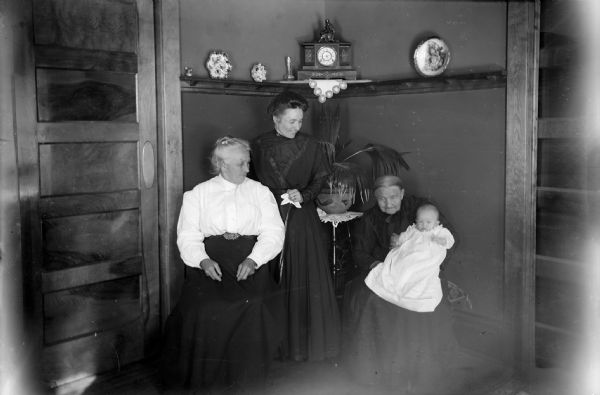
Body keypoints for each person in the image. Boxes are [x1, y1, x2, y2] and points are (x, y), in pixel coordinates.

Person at [161, 136, 285, 392]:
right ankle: (209, 382)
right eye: (241, 164)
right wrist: (203, 260)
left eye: (247, 163)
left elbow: (274, 233)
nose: (247, 169)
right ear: (222, 165)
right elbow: (187, 236)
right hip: (211, 265)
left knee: (254, 306)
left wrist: (254, 259)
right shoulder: (198, 194)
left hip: (250, 264)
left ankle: (246, 383)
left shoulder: (260, 193)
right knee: (204, 309)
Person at [342, 175, 476, 394]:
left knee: (424, 298)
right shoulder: (369, 218)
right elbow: (360, 253)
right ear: (375, 198)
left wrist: (432, 267)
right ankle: (379, 371)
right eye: (382, 199)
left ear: (402, 194)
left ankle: (423, 370)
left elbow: (450, 238)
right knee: (371, 298)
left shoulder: (421, 208)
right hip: (385, 268)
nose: (389, 203)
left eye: (394, 197)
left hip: (422, 272)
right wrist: (381, 267)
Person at [251, 91, 340, 362]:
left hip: (302, 219)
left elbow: (322, 177)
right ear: (276, 118)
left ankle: (303, 346)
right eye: (291, 121)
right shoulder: (258, 145)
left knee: (303, 274)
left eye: (300, 121)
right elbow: (252, 181)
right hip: (269, 214)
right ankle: (277, 344)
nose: (296, 126)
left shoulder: (311, 144)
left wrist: (306, 194)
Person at [365, 203, 455, 312]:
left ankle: (410, 293)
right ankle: (396, 288)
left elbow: (450, 241)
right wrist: (398, 240)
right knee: (400, 267)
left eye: (428, 222)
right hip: (408, 255)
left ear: (436, 223)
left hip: (426, 259)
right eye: (420, 222)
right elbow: (403, 238)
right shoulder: (413, 230)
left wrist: (441, 240)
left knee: (417, 273)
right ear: (416, 221)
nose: (424, 225)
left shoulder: (439, 231)